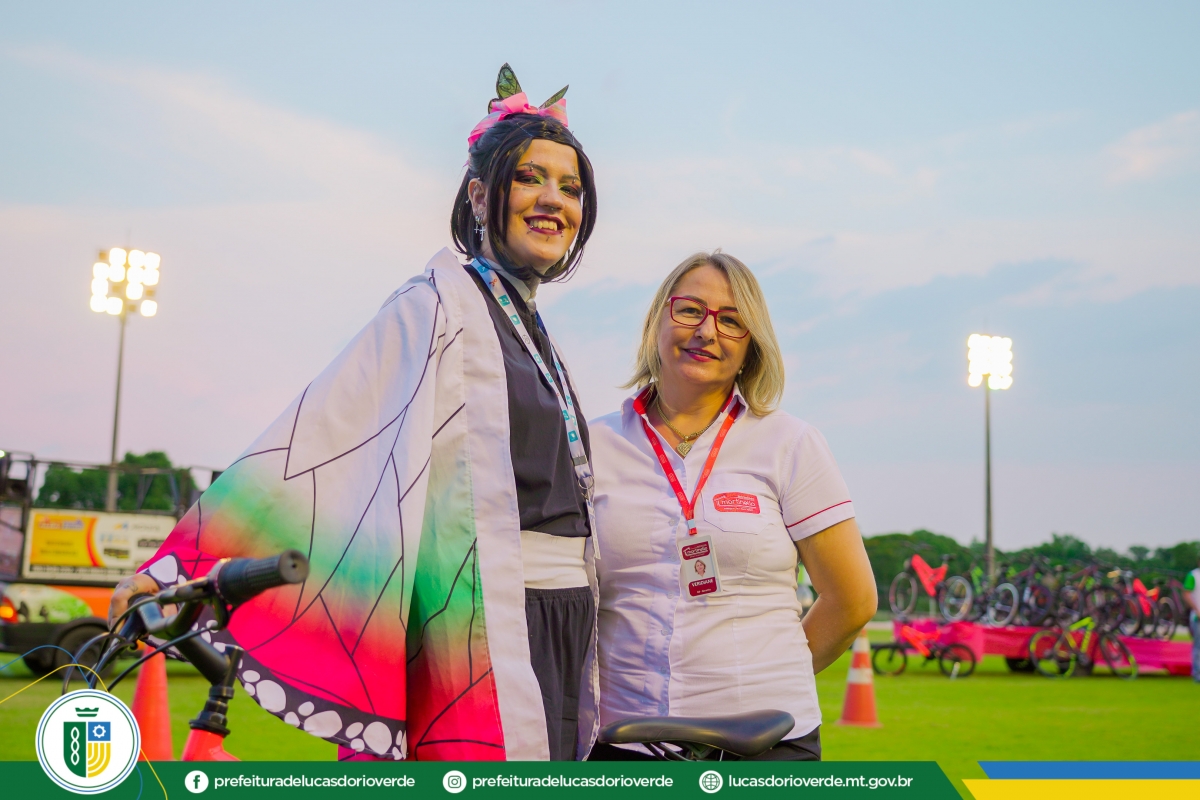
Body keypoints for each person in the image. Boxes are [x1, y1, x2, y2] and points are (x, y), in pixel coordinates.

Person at [108, 64, 600, 761]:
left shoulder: (531, 328)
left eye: (571, 188)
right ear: (479, 194)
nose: (554, 199)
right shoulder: (432, 307)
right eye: (530, 178)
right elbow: (321, 441)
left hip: (565, 623)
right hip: (485, 623)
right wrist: (176, 573)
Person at [583, 252, 877, 761]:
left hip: (765, 745)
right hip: (625, 741)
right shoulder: (592, 445)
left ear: (751, 345)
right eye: (689, 310)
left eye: (731, 320)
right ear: (657, 321)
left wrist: (769, 681)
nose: (706, 331)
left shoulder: (790, 443)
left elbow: (852, 599)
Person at [1185, 555, 1200, 682]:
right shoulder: (1193, 575)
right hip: (1197, 618)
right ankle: (1197, 674)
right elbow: (1187, 594)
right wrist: (1197, 610)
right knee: (1198, 646)